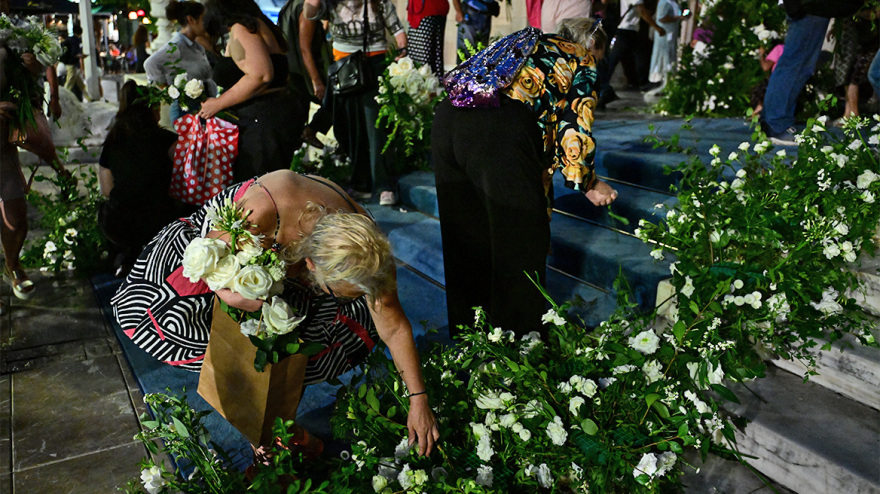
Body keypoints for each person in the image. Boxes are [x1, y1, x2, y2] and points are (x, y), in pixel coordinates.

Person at [111, 169, 440, 454]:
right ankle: (260, 429)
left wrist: (419, 399)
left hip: (285, 261)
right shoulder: (261, 212)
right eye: (337, 294)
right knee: (222, 335)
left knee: (308, 337)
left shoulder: (369, 253)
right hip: (218, 254)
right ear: (310, 265)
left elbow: (393, 326)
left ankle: (277, 424)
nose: (343, 301)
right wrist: (244, 301)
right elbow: (207, 264)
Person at [433, 19, 617, 338]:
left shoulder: (528, 44)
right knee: (519, 244)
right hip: (497, 128)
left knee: (466, 239)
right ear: (593, 44)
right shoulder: (581, 56)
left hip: (447, 118)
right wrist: (587, 182)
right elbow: (576, 122)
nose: (598, 63)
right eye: (601, 56)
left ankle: (470, 338)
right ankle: (519, 346)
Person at [304, 0, 408, 205]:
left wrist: (402, 52)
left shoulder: (379, 2)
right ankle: (362, 183)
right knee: (350, 128)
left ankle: (383, 186)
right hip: (344, 67)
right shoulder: (332, 2)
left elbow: (397, 29)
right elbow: (310, 12)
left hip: (374, 65)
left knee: (376, 129)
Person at [198, 0, 308, 183]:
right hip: (273, 114)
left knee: (258, 185)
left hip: (262, 120)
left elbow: (260, 75)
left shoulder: (243, 29)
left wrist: (217, 103)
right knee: (269, 182)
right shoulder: (258, 25)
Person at [98, 81, 179, 277]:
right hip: (159, 219)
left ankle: (127, 257)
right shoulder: (167, 140)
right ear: (151, 110)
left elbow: (107, 190)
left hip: (117, 222)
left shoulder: (113, 140)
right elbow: (184, 181)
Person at [144, 0, 217, 123]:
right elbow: (150, 64)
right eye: (202, 19)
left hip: (199, 108)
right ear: (191, 20)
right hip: (186, 112)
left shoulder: (194, 45)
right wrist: (171, 92)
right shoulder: (177, 45)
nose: (205, 23)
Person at [597, 0, 666, 108]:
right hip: (626, 30)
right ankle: (603, 85)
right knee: (615, 58)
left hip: (629, 29)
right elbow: (641, 10)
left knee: (638, 55)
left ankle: (642, 82)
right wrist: (657, 27)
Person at [647, 0, 686, 88]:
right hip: (665, 34)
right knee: (662, 56)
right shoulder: (664, 3)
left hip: (672, 34)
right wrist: (677, 18)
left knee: (670, 56)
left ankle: (669, 79)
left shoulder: (675, 3)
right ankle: (657, 79)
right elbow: (662, 18)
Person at [407, 0, 450, 76]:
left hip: (424, 9)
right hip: (436, 8)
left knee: (421, 61)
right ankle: (436, 79)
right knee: (435, 55)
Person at [60, 25, 89, 101]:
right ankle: (62, 97)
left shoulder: (69, 39)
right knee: (69, 83)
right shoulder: (75, 41)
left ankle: (89, 98)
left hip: (69, 64)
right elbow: (74, 53)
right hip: (71, 64)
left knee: (80, 84)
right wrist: (82, 56)